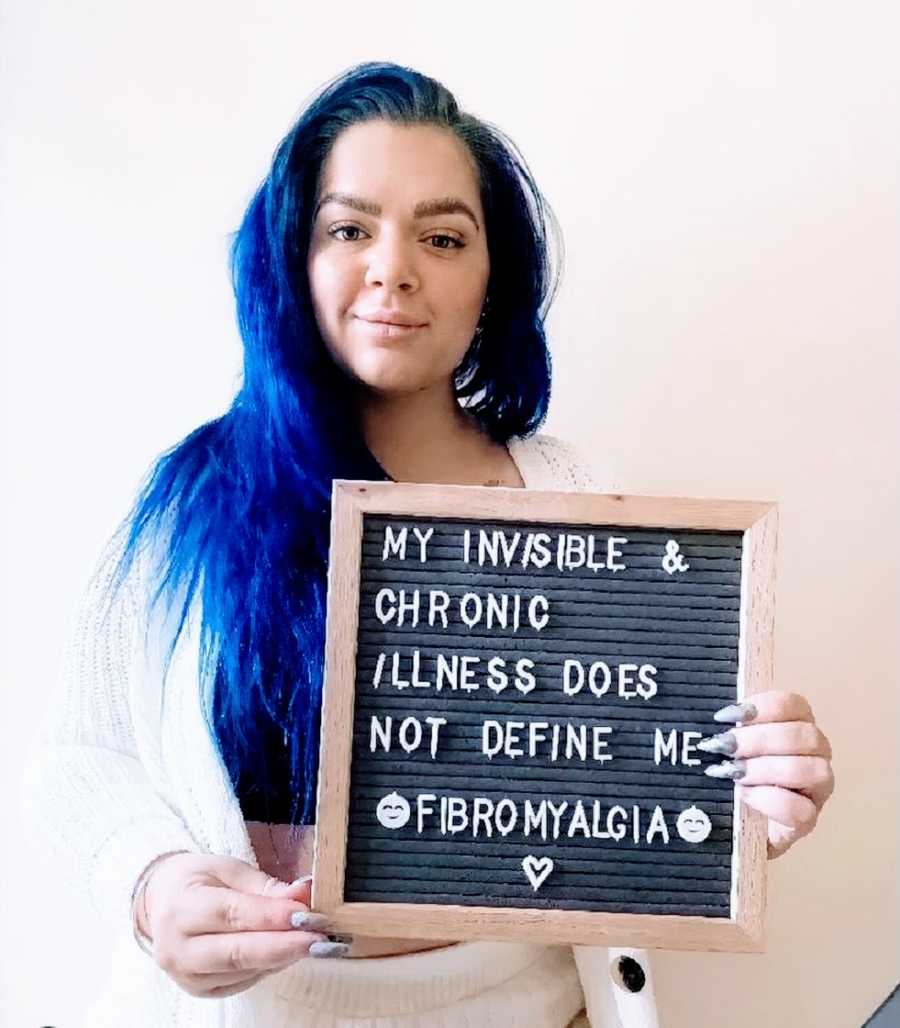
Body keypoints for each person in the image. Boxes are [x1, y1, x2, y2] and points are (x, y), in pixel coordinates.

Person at [23, 61, 835, 1027]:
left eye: (443, 237)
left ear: (495, 278)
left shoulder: (576, 497)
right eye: (349, 229)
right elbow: (79, 757)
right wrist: (150, 885)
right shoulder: (194, 503)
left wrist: (745, 802)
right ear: (292, 256)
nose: (393, 268)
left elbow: (642, 762)